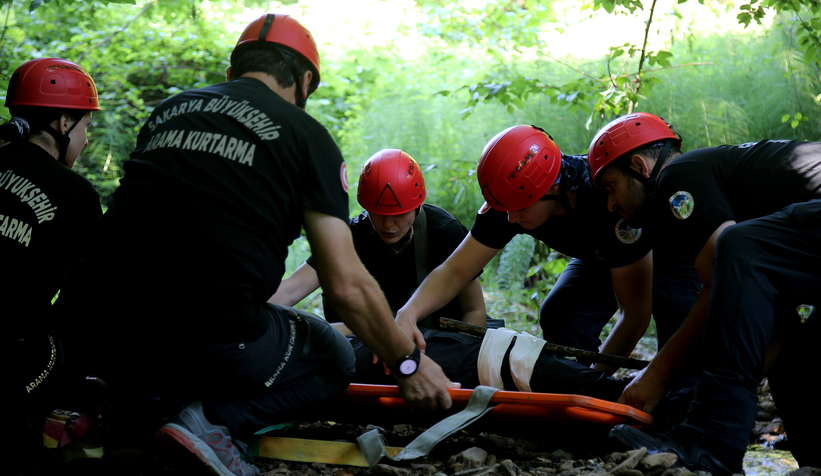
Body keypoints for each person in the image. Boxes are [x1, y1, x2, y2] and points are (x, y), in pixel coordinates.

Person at [55, 13, 454, 476]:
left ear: (233, 73)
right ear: (305, 81)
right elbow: (345, 285)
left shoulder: (169, 110)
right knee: (334, 356)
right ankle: (212, 424)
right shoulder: (308, 137)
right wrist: (408, 365)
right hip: (209, 334)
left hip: (98, 332)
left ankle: (126, 415)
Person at [587, 112, 821, 474]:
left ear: (640, 167)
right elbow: (761, 317)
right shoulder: (725, 179)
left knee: (740, 248)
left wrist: (656, 376)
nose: (610, 204)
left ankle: (710, 444)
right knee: (796, 350)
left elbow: (723, 284)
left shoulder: (678, 176)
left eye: (611, 186)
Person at [395, 124, 700, 378]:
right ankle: (570, 380)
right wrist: (408, 314)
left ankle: (683, 406)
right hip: (599, 251)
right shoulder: (511, 200)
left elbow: (635, 316)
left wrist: (598, 379)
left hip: (666, 248)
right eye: (505, 209)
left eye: (519, 209)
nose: (511, 218)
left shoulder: (607, 202)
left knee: (679, 322)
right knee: (562, 313)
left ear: (551, 189)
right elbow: (454, 271)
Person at [2, 57, 103, 464]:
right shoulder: (74, 194)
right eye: (86, 126)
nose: (86, 138)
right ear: (64, 124)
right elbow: (88, 300)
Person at [270, 147, 487, 329]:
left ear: (417, 207)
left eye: (399, 215)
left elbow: (474, 309)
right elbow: (290, 290)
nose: (388, 224)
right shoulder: (350, 237)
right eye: (379, 214)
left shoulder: (444, 233)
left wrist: (458, 356)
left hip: (439, 344)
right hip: (365, 345)